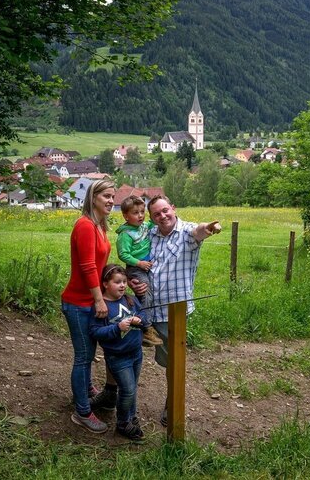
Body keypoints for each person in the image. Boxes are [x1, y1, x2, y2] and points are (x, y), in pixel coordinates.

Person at [129, 195, 221, 427]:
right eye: (157, 214)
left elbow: (199, 231)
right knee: (132, 354)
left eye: (165, 210)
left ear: (173, 208)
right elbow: (137, 260)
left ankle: (173, 405)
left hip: (174, 314)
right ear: (152, 218)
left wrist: (210, 227)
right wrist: (135, 282)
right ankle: (123, 403)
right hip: (148, 309)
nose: (162, 216)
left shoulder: (186, 232)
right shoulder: (151, 233)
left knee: (173, 362)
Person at [60, 179, 115, 434]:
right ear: (93, 197)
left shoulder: (100, 226)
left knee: (88, 353)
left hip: (89, 300)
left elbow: (101, 265)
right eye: (106, 196)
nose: (111, 200)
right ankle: (82, 412)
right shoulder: (84, 225)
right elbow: (87, 266)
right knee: (83, 357)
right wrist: (99, 299)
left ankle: (84, 390)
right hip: (78, 302)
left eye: (113, 196)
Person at [90, 264, 148, 441]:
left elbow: (144, 317)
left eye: (124, 282)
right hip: (117, 357)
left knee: (132, 388)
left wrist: (140, 320)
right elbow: (96, 332)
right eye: (117, 282)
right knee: (127, 389)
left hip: (136, 353)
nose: (123, 285)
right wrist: (117, 328)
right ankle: (123, 422)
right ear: (106, 284)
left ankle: (130, 417)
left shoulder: (130, 300)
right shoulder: (102, 307)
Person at [114, 196, 163, 347]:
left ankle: (145, 322)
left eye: (142, 212)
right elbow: (123, 254)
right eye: (135, 213)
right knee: (145, 293)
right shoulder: (126, 234)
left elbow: (154, 221)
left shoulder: (143, 226)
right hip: (136, 268)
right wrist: (139, 263)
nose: (140, 215)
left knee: (150, 293)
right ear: (125, 216)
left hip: (145, 265)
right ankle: (146, 328)